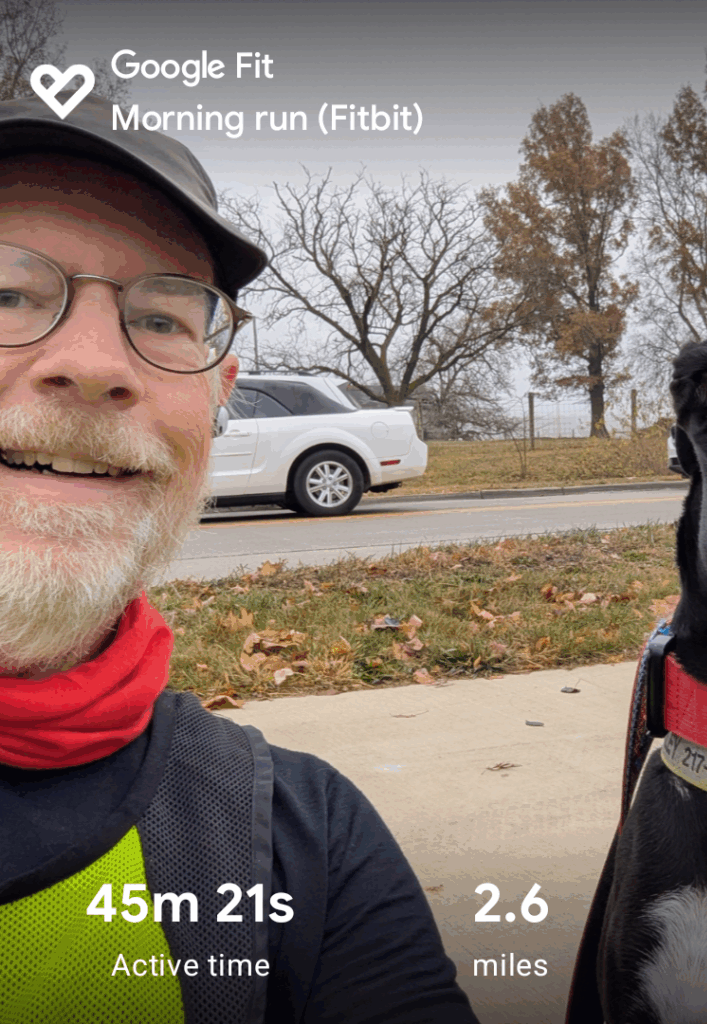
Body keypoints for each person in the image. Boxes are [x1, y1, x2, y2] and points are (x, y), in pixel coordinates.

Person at [0, 93, 480, 1024]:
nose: (98, 362)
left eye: (166, 318)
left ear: (218, 395)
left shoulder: (298, 845)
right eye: (6, 292)